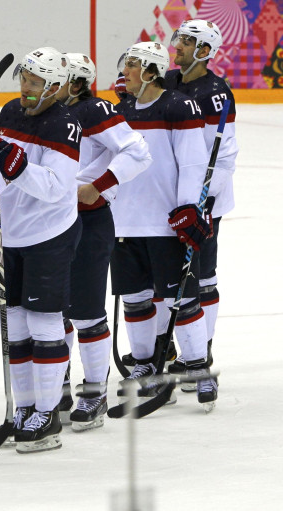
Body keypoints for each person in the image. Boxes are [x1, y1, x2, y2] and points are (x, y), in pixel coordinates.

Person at [0, 47, 81, 453]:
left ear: (53, 87)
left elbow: (54, 188)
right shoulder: (10, 113)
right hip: (10, 233)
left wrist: (12, 161)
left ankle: (48, 414)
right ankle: (26, 407)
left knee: (43, 321)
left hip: (49, 233)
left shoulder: (65, 124)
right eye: (23, 80)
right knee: (13, 324)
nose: (25, 88)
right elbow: (3, 173)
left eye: (34, 83)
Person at [112, 42, 218, 410]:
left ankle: (198, 368)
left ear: (153, 71)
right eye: (126, 64)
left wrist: (188, 208)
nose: (125, 71)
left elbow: (192, 163)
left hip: (165, 223)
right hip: (124, 222)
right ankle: (144, 365)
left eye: (134, 65)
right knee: (136, 299)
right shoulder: (120, 110)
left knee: (183, 300)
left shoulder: (177, 105)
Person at [54, 53, 152, 431]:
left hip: (88, 221)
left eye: (59, 79)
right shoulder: (47, 116)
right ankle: (56, 384)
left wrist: (99, 185)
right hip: (46, 220)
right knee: (50, 310)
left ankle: (95, 392)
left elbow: (137, 151)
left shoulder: (94, 111)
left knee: (85, 309)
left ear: (77, 83)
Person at [163, 19, 237, 392]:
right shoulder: (170, 82)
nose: (177, 45)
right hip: (170, 198)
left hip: (203, 202)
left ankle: (201, 355)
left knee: (201, 276)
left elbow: (222, 156)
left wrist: (202, 200)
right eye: (179, 39)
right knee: (169, 277)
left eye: (187, 42)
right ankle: (176, 351)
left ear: (205, 51)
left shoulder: (216, 93)